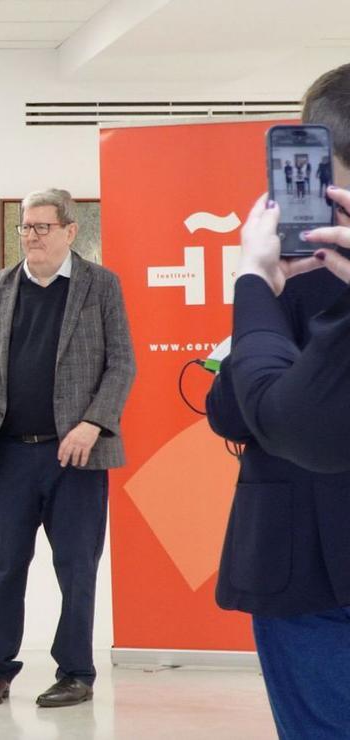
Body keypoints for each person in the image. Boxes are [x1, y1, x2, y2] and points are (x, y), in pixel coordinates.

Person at [207, 62, 350, 739]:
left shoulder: (282, 275)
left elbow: (243, 412)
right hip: (301, 560)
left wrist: (256, 290)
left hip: (302, 561)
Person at [0, 188, 135, 708]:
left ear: (71, 232)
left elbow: (122, 363)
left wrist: (93, 423)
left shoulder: (101, 286)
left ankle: (76, 671)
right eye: (25, 228)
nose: (30, 237)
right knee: (5, 564)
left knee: (76, 566)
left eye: (41, 228)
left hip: (74, 456)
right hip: (9, 453)